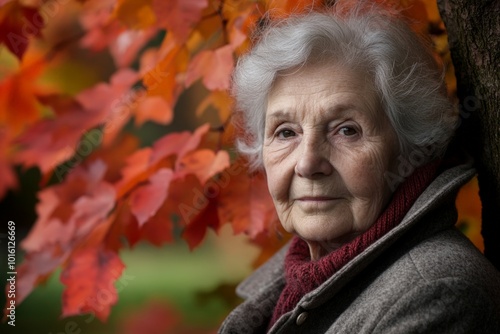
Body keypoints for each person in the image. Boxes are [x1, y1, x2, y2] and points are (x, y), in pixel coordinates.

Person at [218, 2, 500, 334]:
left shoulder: (439, 291)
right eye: (286, 132)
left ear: (410, 147)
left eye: (347, 130)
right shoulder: (290, 285)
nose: (308, 164)